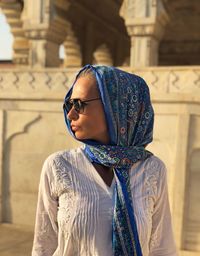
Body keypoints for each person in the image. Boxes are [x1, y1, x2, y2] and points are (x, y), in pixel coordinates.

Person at [32, 64, 177, 256]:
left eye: (79, 104)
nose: (70, 114)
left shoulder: (152, 169)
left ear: (118, 106)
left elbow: (162, 248)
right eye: (69, 104)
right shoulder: (59, 166)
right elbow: (44, 246)